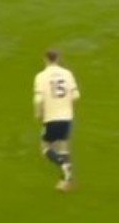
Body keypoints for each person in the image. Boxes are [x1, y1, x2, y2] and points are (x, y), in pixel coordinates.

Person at [34, 49, 80, 191]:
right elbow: (76, 95)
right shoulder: (68, 74)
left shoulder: (41, 76)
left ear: (45, 59)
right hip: (67, 117)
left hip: (51, 118)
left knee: (45, 148)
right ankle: (66, 182)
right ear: (58, 58)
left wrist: (38, 113)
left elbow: (38, 99)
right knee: (63, 147)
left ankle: (63, 165)